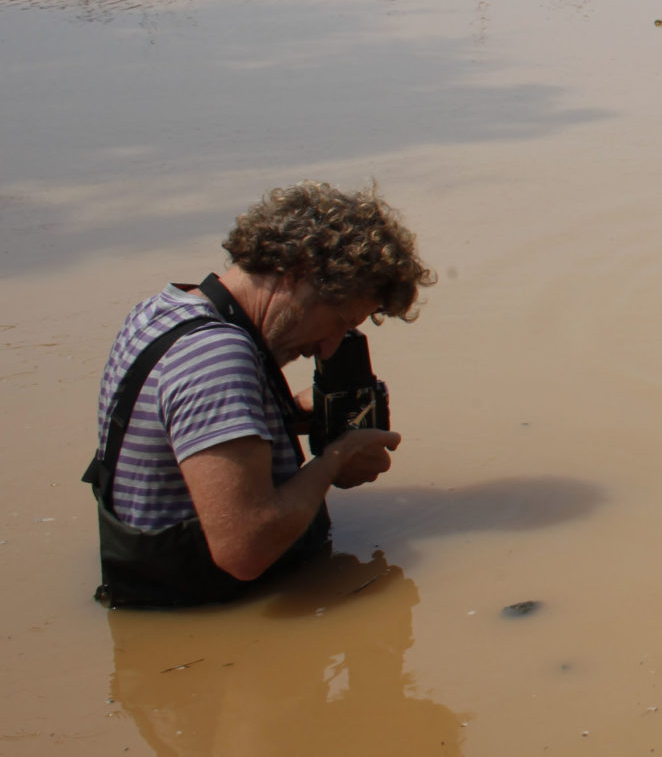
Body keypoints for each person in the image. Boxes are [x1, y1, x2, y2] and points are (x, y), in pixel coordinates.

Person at [85, 182, 432, 608]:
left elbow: (179, 437)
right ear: (297, 272)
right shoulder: (216, 356)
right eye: (340, 320)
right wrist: (334, 460)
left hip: (156, 604)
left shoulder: (162, 310)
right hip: (210, 616)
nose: (328, 348)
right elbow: (245, 550)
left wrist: (295, 414)